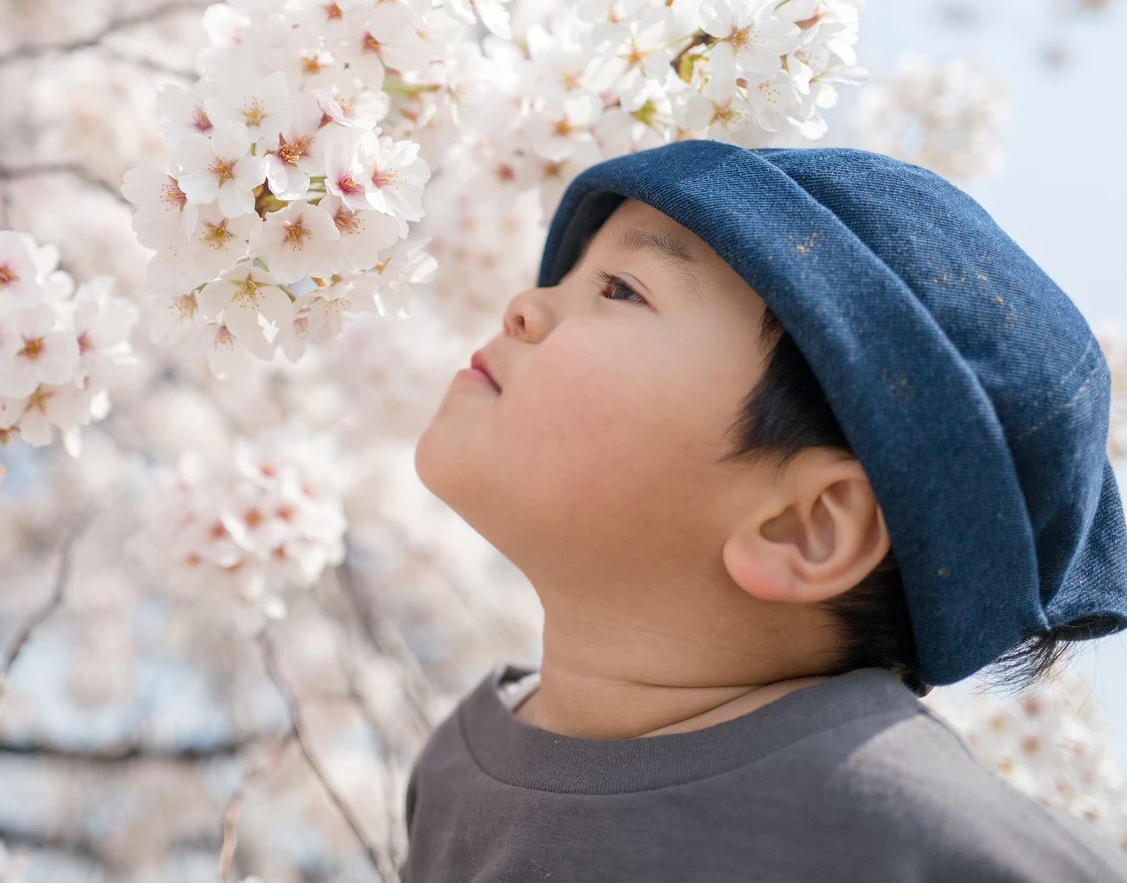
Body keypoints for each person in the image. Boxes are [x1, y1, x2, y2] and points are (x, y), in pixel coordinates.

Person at [406, 139, 1127, 881]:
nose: (525, 304)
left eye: (620, 287)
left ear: (804, 526)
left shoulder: (914, 828)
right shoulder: (458, 769)